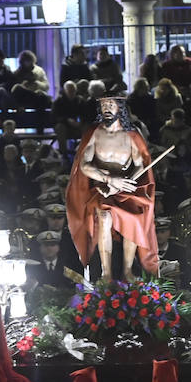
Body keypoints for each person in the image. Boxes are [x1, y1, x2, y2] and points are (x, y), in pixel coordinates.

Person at [66, 95, 158, 280]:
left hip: (127, 187)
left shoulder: (132, 135)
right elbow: (84, 165)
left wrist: (128, 182)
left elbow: (140, 164)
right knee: (105, 217)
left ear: (120, 108)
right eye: (103, 105)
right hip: (102, 188)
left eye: (110, 104)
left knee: (133, 218)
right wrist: (109, 180)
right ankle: (106, 272)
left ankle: (127, 270)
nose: (106, 108)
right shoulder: (94, 133)